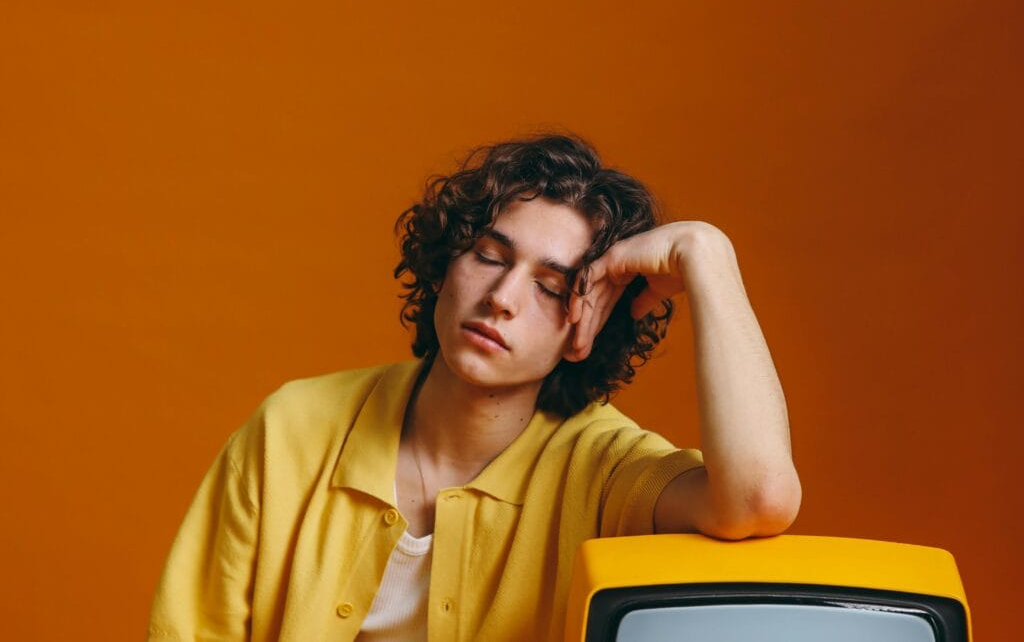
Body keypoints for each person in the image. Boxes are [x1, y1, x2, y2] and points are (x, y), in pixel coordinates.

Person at [147, 133, 800, 641]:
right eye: (489, 255)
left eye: (551, 287)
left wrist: (708, 256)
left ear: (589, 328)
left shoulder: (603, 469)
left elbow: (759, 498)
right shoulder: (293, 426)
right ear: (445, 263)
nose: (503, 298)